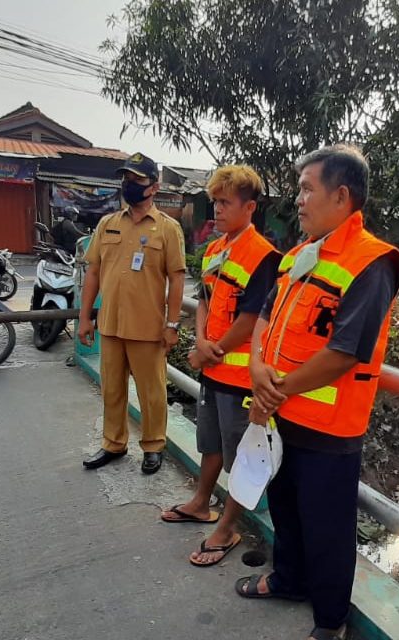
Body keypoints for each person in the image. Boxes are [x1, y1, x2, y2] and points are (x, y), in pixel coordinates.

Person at [235, 145, 399, 640]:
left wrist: (275, 388)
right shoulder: (296, 257)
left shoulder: (373, 262)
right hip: (281, 412)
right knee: (284, 507)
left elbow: (347, 351)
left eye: (308, 188)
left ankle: (330, 622)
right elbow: (266, 319)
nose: (299, 200)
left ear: (342, 195)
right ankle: (289, 580)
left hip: (330, 427)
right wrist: (260, 368)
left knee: (327, 529)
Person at [160, 165, 281, 567]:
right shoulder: (215, 250)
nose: (218, 209)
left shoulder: (264, 256)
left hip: (241, 379)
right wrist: (200, 341)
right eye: (215, 201)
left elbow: (251, 318)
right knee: (210, 442)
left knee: (242, 457)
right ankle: (200, 502)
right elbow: (206, 301)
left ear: (249, 207)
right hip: (212, 370)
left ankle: (227, 528)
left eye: (225, 202)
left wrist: (211, 349)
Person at [78, 152, 186, 474]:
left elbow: (177, 279)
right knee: (111, 388)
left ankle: (153, 446)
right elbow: (94, 273)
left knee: (152, 393)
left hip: (148, 328)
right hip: (110, 324)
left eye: (136, 179)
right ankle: (114, 443)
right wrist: (85, 317)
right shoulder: (107, 224)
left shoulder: (167, 229)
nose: (129, 184)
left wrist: (173, 324)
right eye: (126, 178)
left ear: (154, 186)